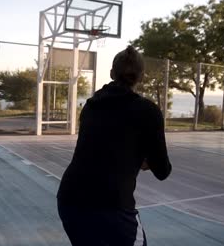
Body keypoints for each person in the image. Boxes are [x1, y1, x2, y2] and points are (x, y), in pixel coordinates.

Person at [57, 45, 172, 246]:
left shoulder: (91, 105)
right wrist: (143, 160)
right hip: (112, 206)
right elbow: (162, 170)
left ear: (111, 73)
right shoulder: (148, 111)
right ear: (141, 76)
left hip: (70, 199)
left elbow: (98, 149)